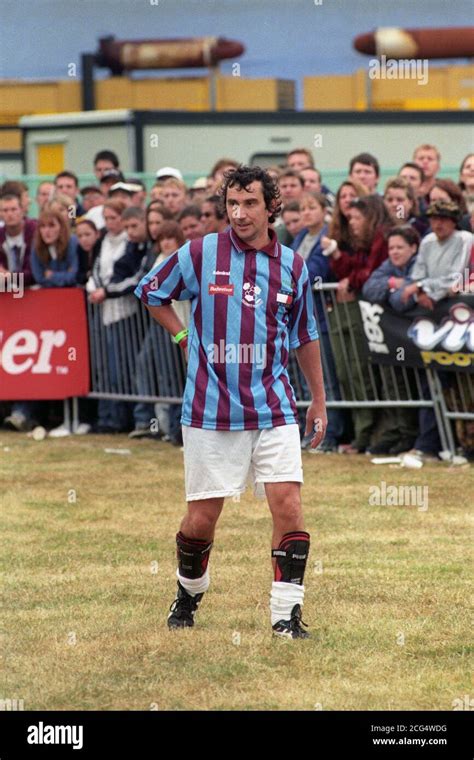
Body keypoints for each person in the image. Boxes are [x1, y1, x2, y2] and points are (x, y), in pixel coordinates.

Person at [134, 165, 327, 639]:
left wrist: (318, 400)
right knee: (202, 520)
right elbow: (150, 292)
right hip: (209, 408)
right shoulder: (199, 253)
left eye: (250, 204)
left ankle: (286, 615)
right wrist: (182, 334)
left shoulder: (294, 267)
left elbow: (305, 336)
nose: (239, 214)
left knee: (289, 506)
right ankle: (188, 593)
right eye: (232, 204)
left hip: (274, 406)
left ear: (271, 207)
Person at [325, 194, 392, 453]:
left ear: (370, 215)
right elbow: (355, 269)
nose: (351, 223)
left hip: (376, 315)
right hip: (366, 313)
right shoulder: (364, 242)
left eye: (355, 217)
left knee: (365, 374)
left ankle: (368, 435)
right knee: (349, 374)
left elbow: (372, 273)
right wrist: (338, 256)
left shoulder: (382, 237)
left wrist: (351, 281)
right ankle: (363, 435)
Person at [362, 226, 421, 454]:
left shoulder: (419, 262)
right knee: (394, 383)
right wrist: (393, 284)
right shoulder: (389, 267)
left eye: (400, 247)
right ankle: (399, 433)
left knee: (421, 388)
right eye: (391, 248)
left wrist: (397, 289)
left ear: (413, 247)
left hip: (418, 339)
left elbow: (401, 302)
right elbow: (369, 287)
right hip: (395, 339)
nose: (394, 252)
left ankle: (414, 436)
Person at [292, 191, 344, 452]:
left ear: (324, 209)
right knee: (304, 381)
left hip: (319, 318)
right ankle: (312, 433)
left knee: (324, 380)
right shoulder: (300, 236)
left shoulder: (326, 237)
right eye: (303, 208)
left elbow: (312, 273)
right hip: (298, 316)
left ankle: (330, 434)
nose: (306, 213)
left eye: (312, 207)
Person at [86, 199, 133, 433]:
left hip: (125, 312)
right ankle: (107, 417)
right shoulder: (103, 240)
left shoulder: (129, 242)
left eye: (114, 218)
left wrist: (107, 290)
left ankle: (122, 419)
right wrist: (94, 287)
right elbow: (96, 268)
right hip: (103, 310)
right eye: (106, 218)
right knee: (103, 366)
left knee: (121, 368)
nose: (110, 223)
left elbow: (124, 276)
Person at [30, 208, 79, 287]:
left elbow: (73, 277)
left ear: (61, 227)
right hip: (48, 294)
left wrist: (52, 275)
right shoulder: (36, 245)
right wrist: (64, 274)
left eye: (51, 226)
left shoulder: (72, 242)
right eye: (43, 226)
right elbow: (39, 278)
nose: (47, 231)